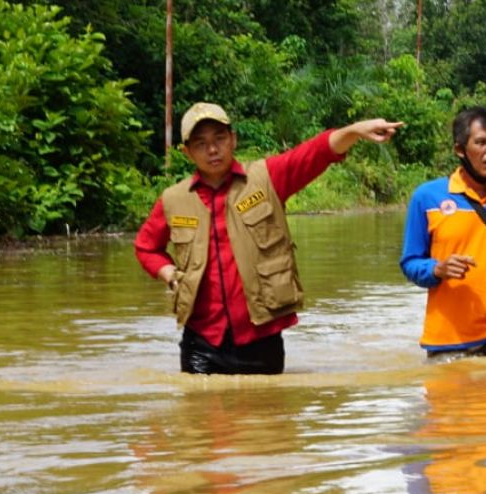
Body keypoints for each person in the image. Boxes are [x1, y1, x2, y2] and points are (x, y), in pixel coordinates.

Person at [135, 101, 403, 375]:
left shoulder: (267, 178)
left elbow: (315, 153)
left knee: (265, 415)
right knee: (200, 415)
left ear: (233, 139)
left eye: (219, 139)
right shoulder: (173, 200)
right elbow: (146, 247)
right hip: (202, 343)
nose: (213, 150)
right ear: (187, 152)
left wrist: (355, 130)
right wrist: (168, 273)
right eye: (201, 143)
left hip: (260, 339)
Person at [400, 106, 486, 360]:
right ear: (460, 150)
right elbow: (410, 262)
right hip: (446, 337)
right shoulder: (426, 197)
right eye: (481, 143)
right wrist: (437, 269)